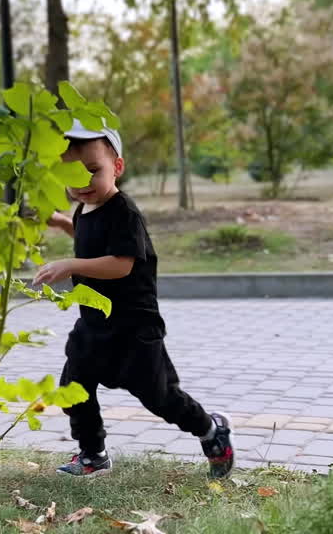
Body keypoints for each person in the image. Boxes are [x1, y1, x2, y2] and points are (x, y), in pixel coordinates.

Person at [33, 119, 234, 479]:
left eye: (93, 171)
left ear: (118, 167)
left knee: (159, 397)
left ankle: (211, 429)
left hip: (134, 326)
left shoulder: (125, 213)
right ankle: (93, 453)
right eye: (72, 174)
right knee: (73, 387)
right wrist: (63, 223)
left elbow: (121, 265)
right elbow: (89, 234)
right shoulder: (85, 207)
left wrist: (70, 265)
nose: (82, 182)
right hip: (95, 323)